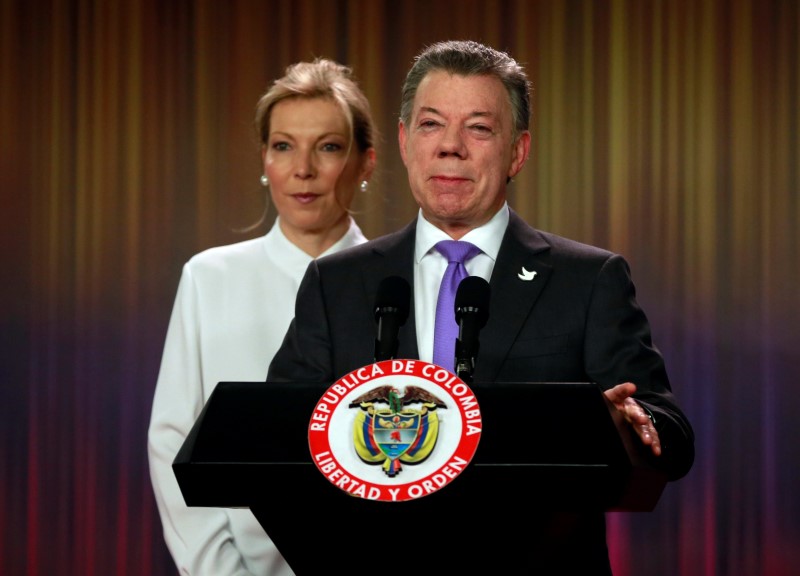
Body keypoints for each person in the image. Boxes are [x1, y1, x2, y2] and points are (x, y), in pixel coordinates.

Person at [267, 40, 694, 573]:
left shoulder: (587, 279)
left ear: (517, 150)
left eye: (479, 127)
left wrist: (625, 426)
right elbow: (272, 436)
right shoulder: (337, 282)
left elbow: (670, 431)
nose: (451, 147)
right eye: (430, 125)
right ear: (404, 142)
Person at [147, 58, 377, 575]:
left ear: (366, 163)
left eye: (329, 146)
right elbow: (173, 441)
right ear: (264, 160)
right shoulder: (210, 277)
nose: (304, 170)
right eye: (283, 146)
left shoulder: (402, 282)